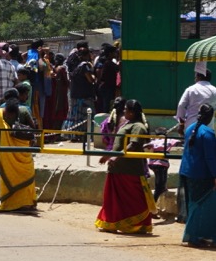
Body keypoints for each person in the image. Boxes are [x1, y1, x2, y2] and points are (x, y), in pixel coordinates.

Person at [94, 99, 154, 234]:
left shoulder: (138, 127)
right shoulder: (128, 124)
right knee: (114, 199)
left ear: (132, 113)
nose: (124, 111)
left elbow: (133, 144)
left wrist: (116, 156)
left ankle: (137, 225)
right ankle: (113, 222)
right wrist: (109, 156)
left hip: (129, 170)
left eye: (126, 110)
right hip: (118, 169)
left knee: (132, 199)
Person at [178, 103, 216, 248]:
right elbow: (211, 157)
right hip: (203, 174)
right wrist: (215, 175)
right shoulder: (208, 133)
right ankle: (204, 235)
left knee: (194, 204)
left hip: (188, 172)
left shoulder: (189, 129)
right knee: (210, 204)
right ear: (211, 116)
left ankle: (196, 235)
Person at [0, 88, 38, 213]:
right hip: (24, 151)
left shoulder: (0, 113)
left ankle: (8, 203)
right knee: (26, 176)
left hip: (6, 153)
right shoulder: (24, 110)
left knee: (7, 175)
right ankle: (27, 203)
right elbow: (34, 129)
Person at [175, 62, 216, 139]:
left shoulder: (190, 90)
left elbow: (181, 105)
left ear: (199, 77)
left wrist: (181, 124)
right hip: (208, 129)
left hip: (190, 127)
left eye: (195, 76)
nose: (194, 78)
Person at [66, 41, 96, 134]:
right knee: (85, 115)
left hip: (75, 94)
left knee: (76, 116)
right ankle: (85, 134)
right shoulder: (84, 65)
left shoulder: (75, 65)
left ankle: (75, 134)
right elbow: (90, 80)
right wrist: (94, 76)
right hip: (85, 95)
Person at [44, 52, 69, 132]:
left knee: (55, 112)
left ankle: (54, 131)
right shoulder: (62, 69)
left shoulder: (53, 68)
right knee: (61, 113)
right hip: (61, 94)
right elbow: (67, 81)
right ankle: (57, 132)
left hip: (54, 93)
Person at [93, 43, 120, 114]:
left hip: (106, 88)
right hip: (107, 89)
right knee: (106, 108)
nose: (116, 54)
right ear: (110, 53)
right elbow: (118, 68)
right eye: (114, 52)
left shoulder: (107, 62)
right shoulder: (108, 63)